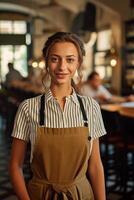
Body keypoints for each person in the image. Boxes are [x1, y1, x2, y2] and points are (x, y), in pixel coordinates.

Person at [9, 32, 106, 200]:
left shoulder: (91, 107)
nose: (62, 67)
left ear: (78, 63)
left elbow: (95, 166)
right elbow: (15, 165)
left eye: (70, 60)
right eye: (55, 59)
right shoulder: (28, 108)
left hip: (81, 195)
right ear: (47, 62)